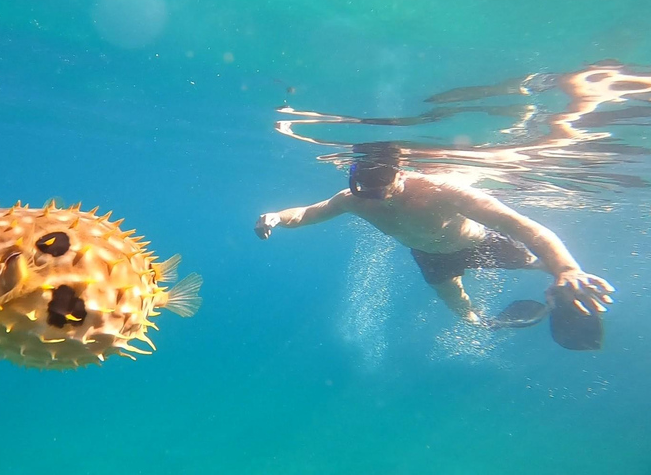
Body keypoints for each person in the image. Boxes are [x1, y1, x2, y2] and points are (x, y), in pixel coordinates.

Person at [254, 149, 615, 350]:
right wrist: (276, 217)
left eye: (381, 183)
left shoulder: (444, 191)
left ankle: (562, 291)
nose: (373, 192)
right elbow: (307, 212)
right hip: (428, 255)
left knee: (539, 263)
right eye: (363, 184)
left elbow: (526, 228)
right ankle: (488, 324)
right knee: (458, 306)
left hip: (478, 244)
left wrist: (566, 268)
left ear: (401, 173)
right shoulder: (353, 200)